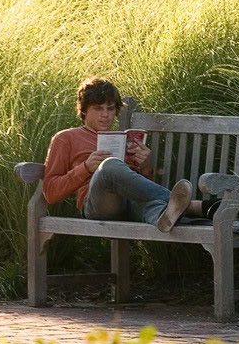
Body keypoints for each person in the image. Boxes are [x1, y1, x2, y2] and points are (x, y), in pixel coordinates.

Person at [42, 76, 194, 232]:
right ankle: (185, 202)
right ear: (84, 110)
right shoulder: (66, 138)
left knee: (155, 209)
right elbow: (50, 193)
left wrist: (146, 167)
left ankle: (170, 214)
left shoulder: (126, 139)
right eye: (98, 108)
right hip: (99, 204)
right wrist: (86, 168)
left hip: (132, 204)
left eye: (110, 108)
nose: (105, 114)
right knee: (109, 165)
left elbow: (140, 189)